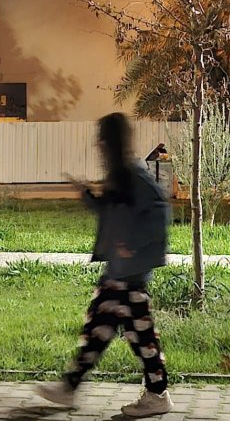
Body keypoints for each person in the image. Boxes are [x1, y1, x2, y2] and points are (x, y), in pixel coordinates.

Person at [35, 112, 173, 418]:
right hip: (119, 272)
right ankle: (71, 386)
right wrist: (86, 194)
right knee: (102, 329)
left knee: (139, 334)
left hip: (131, 272)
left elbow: (160, 214)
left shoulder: (133, 174)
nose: (97, 143)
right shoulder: (120, 175)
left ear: (111, 141)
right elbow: (111, 211)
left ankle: (157, 393)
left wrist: (132, 244)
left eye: (102, 138)